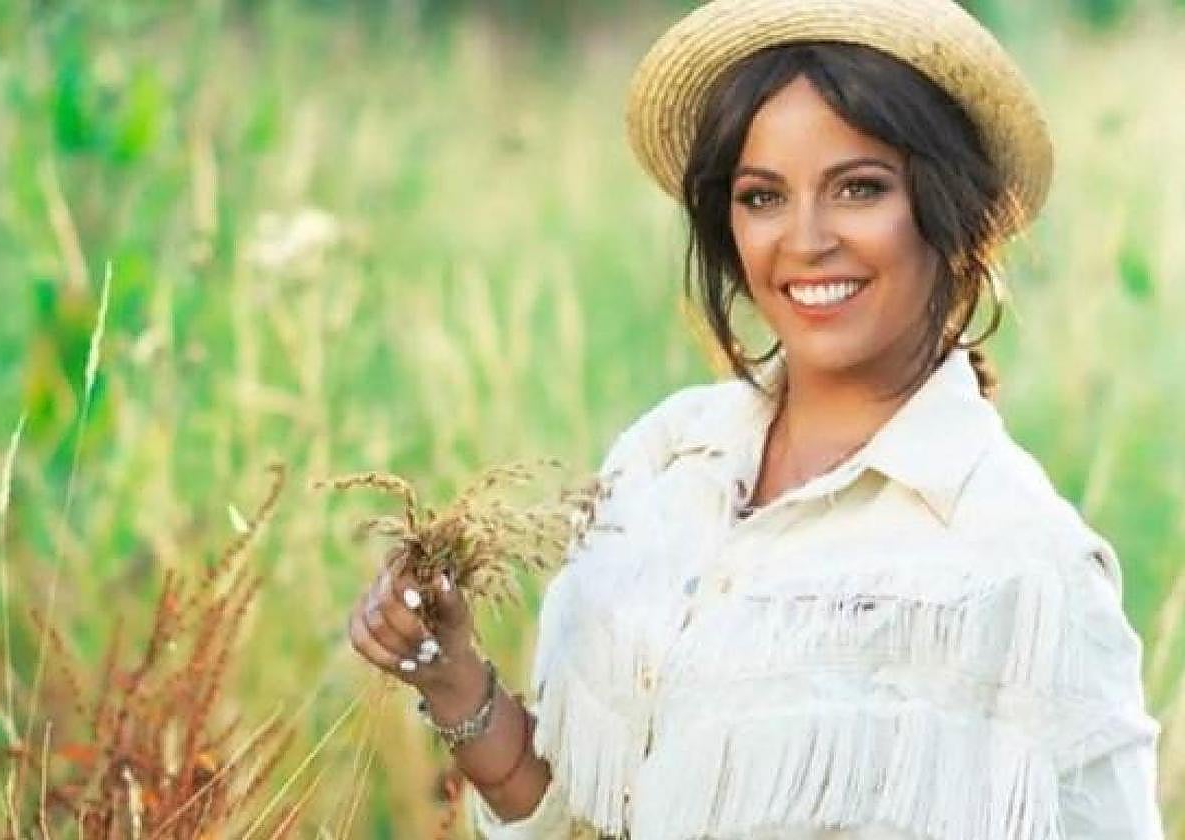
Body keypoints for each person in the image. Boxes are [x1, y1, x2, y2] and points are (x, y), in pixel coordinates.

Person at [347, 0, 1166, 837]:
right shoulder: (663, 462)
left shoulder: (1024, 566)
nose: (805, 240)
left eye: (859, 188)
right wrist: (453, 678)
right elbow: (582, 818)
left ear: (948, 209)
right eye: (763, 196)